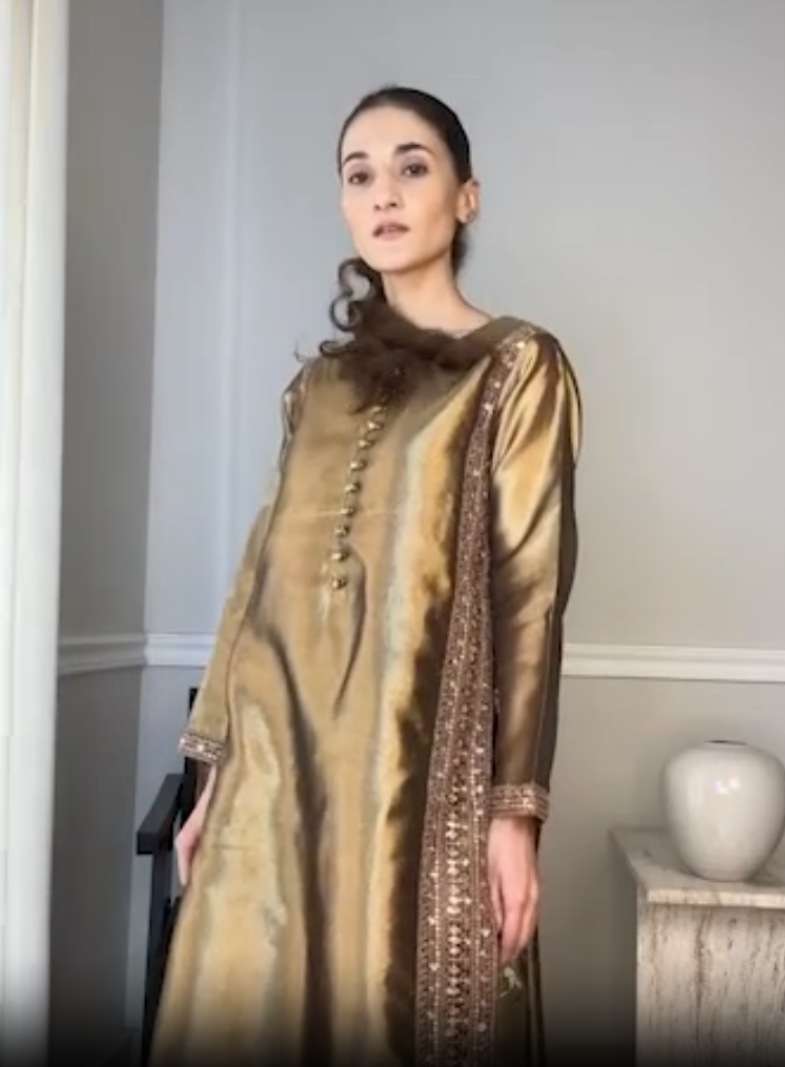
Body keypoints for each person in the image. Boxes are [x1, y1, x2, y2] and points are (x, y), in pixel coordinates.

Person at [149, 85, 582, 1067]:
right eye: (359, 174)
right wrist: (211, 774)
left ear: (464, 197)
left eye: (411, 167)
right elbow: (257, 578)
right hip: (273, 769)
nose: (382, 192)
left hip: (413, 779)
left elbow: (528, 594)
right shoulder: (314, 390)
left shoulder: (516, 368)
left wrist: (512, 812)